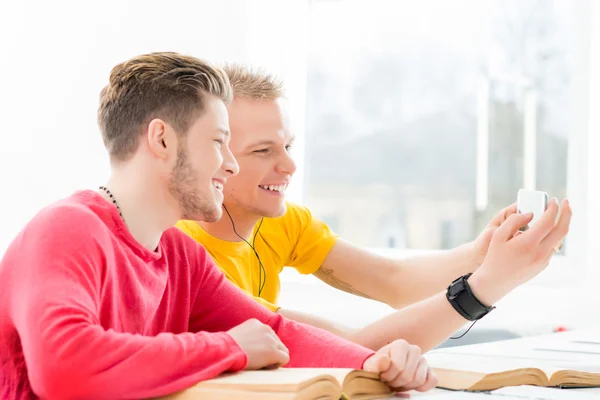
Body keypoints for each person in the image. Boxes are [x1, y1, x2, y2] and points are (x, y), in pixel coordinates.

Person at [0, 52, 438, 399]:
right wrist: (228, 348)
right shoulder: (66, 230)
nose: (230, 165)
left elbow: (276, 333)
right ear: (162, 140)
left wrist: (373, 364)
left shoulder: (180, 256)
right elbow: (63, 369)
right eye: (217, 143)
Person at [176, 64, 572, 352]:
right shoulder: (185, 253)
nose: (290, 166)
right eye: (263, 151)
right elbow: (349, 348)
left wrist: (479, 255)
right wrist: (488, 285)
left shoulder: (285, 222)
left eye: (288, 146)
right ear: (215, 156)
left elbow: (393, 281)